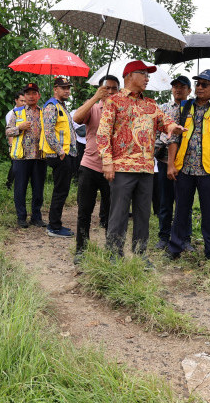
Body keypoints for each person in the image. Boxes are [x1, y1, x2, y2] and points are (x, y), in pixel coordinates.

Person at [97, 60, 185, 264]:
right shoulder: (114, 101)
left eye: (148, 75)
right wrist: (107, 162)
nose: (147, 78)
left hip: (146, 168)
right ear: (128, 76)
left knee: (143, 214)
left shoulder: (151, 104)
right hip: (122, 167)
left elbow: (164, 122)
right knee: (118, 214)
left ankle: (140, 254)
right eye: (143, 74)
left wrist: (173, 127)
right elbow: (103, 134)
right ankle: (114, 255)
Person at [167, 69, 210, 261]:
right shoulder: (183, 107)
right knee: (180, 210)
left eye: (204, 84)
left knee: (209, 212)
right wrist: (171, 165)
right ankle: (175, 248)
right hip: (185, 169)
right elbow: (173, 139)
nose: (199, 88)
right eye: (198, 84)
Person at [73, 75, 120, 262]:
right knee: (84, 210)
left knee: (111, 213)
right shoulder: (92, 107)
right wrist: (94, 98)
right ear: (100, 89)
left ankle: (111, 251)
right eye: (106, 88)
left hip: (112, 169)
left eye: (114, 89)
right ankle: (81, 250)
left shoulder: (121, 110)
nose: (110, 92)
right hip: (90, 166)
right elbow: (76, 118)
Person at [155, 75, 194, 252]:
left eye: (182, 87)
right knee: (165, 200)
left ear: (189, 90)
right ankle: (164, 236)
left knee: (184, 202)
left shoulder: (193, 109)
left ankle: (185, 238)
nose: (178, 89)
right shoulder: (162, 109)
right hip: (164, 161)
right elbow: (156, 132)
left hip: (187, 164)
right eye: (175, 86)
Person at [40, 77, 78, 238]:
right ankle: (54, 226)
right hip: (59, 155)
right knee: (60, 191)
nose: (67, 91)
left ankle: (55, 224)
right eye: (63, 88)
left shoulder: (62, 106)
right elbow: (48, 132)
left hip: (64, 154)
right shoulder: (51, 106)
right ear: (55, 89)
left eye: (68, 88)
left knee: (62, 190)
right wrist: (60, 151)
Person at [6, 82, 47, 228]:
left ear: (38, 95)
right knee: (20, 188)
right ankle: (21, 217)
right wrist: (19, 127)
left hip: (40, 156)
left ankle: (36, 217)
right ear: (24, 96)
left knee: (38, 189)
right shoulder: (17, 112)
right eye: (28, 93)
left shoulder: (44, 113)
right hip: (22, 157)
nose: (31, 96)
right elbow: (8, 131)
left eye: (34, 93)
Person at [5, 91, 25, 190]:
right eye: (21, 101)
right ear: (16, 100)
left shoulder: (25, 112)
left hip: (23, 145)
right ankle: (9, 184)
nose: (23, 103)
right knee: (14, 165)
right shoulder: (12, 114)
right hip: (15, 144)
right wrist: (11, 146)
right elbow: (9, 130)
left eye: (25, 101)